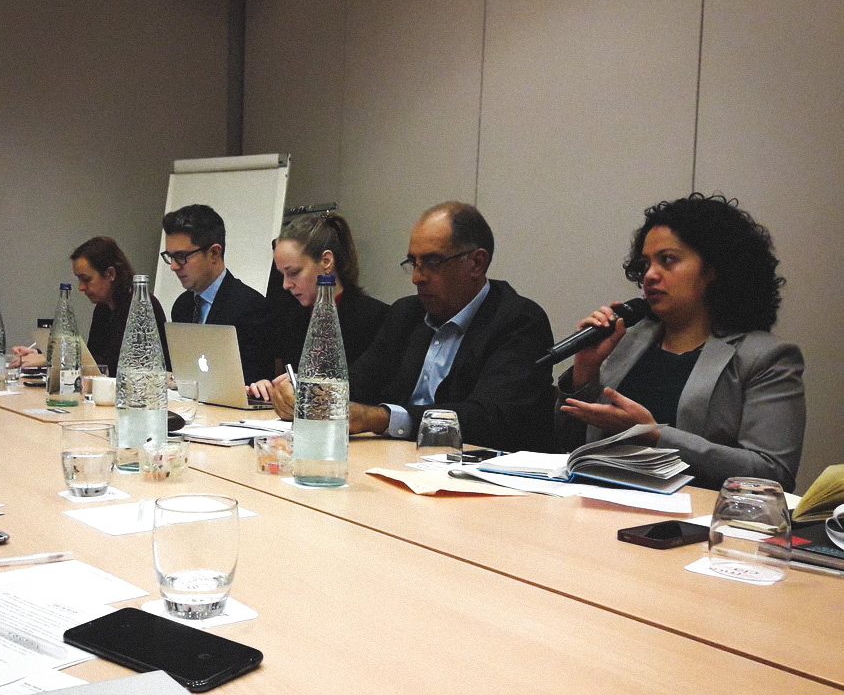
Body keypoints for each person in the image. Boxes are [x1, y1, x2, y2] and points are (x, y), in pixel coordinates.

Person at [556, 192, 805, 491]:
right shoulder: (629, 341)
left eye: (668, 260)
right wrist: (585, 371)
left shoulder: (765, 357)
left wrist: (655, 435)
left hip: (696, 514)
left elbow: (773, 473)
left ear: (713, 268)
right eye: (645, 264)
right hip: (597, 501)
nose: (650, 275)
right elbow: (568, 445)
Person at [271, 202, 556, 452]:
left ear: (476, 263)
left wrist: (381, 418)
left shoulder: (518, 321)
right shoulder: (406, 314)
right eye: (413, 263)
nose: (417, 277)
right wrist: (305, 392)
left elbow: (489, 418)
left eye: (432, 262)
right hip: (400, 462)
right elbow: (358, 382)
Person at [249, 212, 389, 400]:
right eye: (282, 274)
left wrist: (305, 385)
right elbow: (287, 381)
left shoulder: (375, 318)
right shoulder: (291, 319)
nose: (285, 285)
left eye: (294, 272)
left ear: (326, 261)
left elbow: (368, 391)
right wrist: (267, 389)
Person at [14, 237, 169, 376]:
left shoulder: (140, 306)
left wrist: (50, 358)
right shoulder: (103, 308)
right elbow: (92, 358)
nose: (81, 287)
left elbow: (114, 366)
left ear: (110, 274)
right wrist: (41, 353)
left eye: (86, 279)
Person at [161, 204, 273, 384]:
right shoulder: (182, 305)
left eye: (181, 256)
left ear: (214, 253)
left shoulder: (251, 308)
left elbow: (255, 383)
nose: (174, 266)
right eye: (171, 257)